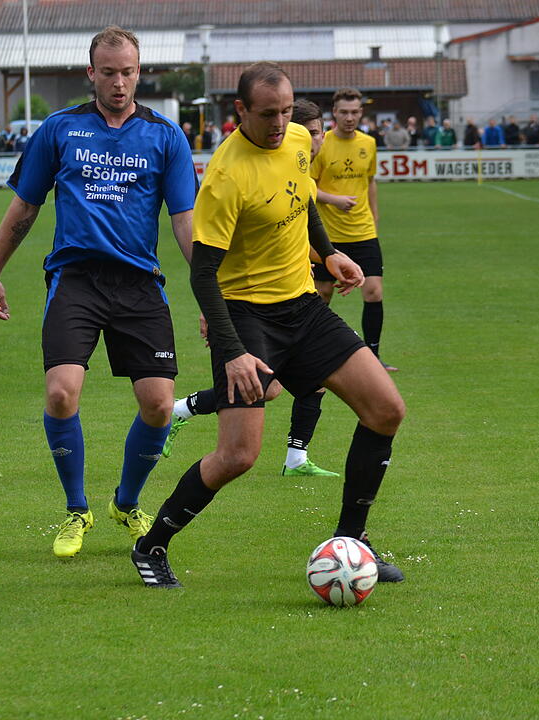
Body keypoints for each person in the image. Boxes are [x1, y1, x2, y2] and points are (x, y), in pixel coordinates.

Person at [129, 62, 406, 589]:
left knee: (386, 410)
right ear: (240, 111)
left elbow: (302, 200)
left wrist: (329, 256)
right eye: (267, 114)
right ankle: (151, 544)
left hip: (302, 305)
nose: (280, 122)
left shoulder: (301, 137)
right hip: (246, 317)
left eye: (285, 110)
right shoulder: (226, 175)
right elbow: (204, 274)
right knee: (239, 455)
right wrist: (232, 349)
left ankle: (352, 542)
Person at [0, 26, 198, 559]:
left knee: (159, 406)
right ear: (91, 73)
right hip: (75, 279)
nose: (119, 82)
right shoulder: (59, 129)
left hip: (139, 284)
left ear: (139, 72)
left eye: (128, 72)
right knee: (61, 392)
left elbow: (186, 225)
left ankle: (126, 503)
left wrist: (219, 294)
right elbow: (25, 208)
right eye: (109, 73)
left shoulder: (166, 136)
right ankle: (77, 509)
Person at [164, 98, 341, 477]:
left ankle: (295, 458)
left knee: (283, 387)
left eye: (315, 133)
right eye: (305, 132)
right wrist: (211, 310)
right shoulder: (238, 173)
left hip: (296, 301)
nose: (311, 141)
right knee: (261, 395)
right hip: (252, 308)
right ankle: (182, 410)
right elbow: (220, 260)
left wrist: (328, 257)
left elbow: (304, 218)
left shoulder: (297, 169)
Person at [311, 88, 397, 371]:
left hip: (363, 232)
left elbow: (370, 180)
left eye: (355, 112)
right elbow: (309, 187)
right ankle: (315, 353)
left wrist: (375, 213)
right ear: (334, 113)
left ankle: (374, 355)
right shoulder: (322, 144)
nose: (350, 117)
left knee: (373, 292)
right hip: (329, 235)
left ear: (362, 112)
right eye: (344, 112)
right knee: (322, 294)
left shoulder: (369, 143)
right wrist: (334, 200)